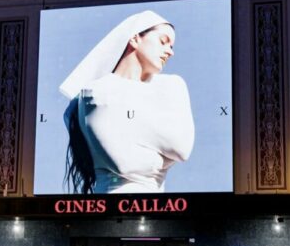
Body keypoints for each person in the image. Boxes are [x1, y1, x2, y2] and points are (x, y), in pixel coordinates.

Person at [60, 10, 195, 194]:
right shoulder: (96, 92)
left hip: (159, 209)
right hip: (109, 207)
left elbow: (181, 148)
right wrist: (163, 157)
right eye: (163, 41)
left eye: (172, 46)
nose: (170, 52)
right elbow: (124, 164)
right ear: (135, 39)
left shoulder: (171, 85)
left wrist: (128, 126)